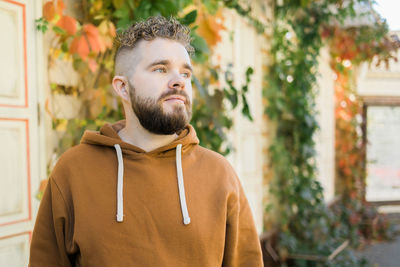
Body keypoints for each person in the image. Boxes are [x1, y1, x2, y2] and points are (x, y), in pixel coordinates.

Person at [29, 16, 263, 266]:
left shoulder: (219, 175)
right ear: (122, 88)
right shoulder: (73, 171)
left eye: (185, 73)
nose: (179, 81)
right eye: (160, 69)